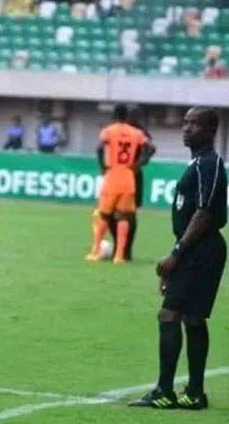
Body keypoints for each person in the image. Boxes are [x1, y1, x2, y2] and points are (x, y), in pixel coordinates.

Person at [128, 107, 227, 410]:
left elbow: (204, 213)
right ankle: (194, 393)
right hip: (194, 249)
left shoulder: (208, 165)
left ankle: (164, 391)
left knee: (169, 315)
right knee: (192, 318)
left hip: (201, 250)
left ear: (210, 130)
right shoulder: (197, 163)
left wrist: (176, 254)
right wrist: (176, 255)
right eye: (185, 122)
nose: (186, 128)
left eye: (194, 124)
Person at [86, 104, 154, 263]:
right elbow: (151, 148)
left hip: (115, 174)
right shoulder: (139, 133)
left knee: (105, 214)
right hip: (130, 176)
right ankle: (120, 254)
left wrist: (103, 167)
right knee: (126, 215)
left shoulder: (110, 130)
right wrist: (137, 165)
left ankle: (98, 251)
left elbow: (99, 148)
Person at [107, 105, 156, 260]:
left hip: (131, 176)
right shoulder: (117, 129)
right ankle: (119, 246)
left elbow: (151, 148)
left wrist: (137, 165)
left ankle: (125, 250)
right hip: (117, 174)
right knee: (110, 212)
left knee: (128, 214)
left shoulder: (139, 131)